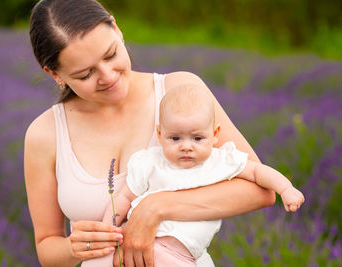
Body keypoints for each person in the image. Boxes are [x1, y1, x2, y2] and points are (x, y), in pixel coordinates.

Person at [24, 0, 275, 266]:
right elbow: (47, 248)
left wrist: (156, 207)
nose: (108, 76)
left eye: (110, 55)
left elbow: (260, 189)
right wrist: (72, 248)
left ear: (117, 28)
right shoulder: (45, 134)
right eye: (85, 74)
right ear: (55, 74)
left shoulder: (179, 92)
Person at [101, 84, 305, 266]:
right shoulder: (150, 162)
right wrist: (106, 229)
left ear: (215, 135)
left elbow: (256, 171)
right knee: (98, 260)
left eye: (197, 138)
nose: (186, 147)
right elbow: (125, 197)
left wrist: (285, 188)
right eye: (175, 138)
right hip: (135, 242)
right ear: (160, 134)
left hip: (181, 256)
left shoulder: (220, 161)